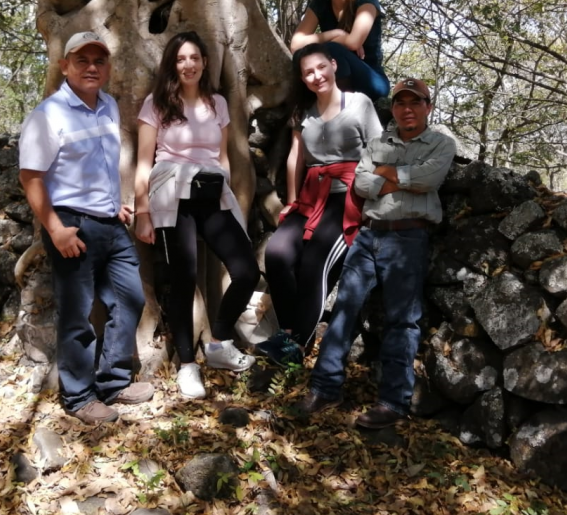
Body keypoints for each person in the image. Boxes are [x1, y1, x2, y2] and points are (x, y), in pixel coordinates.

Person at [297, 78, 456, 429]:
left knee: (403, 320)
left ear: (428, 107)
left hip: (408, 238)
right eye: (401, 103)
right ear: (394, 108)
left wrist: (386, 174)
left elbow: (428, 179)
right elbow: (362, 184)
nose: (407, 109)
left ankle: (393, 403)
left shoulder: (441, 144)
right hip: (369, 236)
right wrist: (403, 177)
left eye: (416, 103)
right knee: (343, 310)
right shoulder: (377, 142)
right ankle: (325, 388)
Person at [19, 31, 154, 425]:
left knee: (130, 299)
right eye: (82, 60)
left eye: (99, 61)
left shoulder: (109, 105)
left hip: (111, 224)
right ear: (65, 67)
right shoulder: (48, 116)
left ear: (108, 68)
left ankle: (113, 382)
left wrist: (119, 204)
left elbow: (103, 165)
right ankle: (78, 397)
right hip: (71, 226)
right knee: (77, 314)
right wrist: (56, 230)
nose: (92, 67)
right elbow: (31, 178)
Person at [134, 31, 260, 399]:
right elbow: (144, 162)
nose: (188, 64)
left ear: (205, 63)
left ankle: (219, 342)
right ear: (172, 65)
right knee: (183, 279)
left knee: (246, 271)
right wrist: (143, 211)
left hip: (210, 193)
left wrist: (227, 190)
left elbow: (221, 157)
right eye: (180, 59)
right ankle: (187, 365)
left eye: (194, 58)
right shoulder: (156, 104)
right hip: (172, 196)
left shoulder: (217, 103)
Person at [257, 43, 383, 367]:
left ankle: (297, 345)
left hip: (348, 197)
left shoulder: (359, 104)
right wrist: (292, 199)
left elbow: (379, 151)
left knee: (315, 264)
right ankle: (288, 335)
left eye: (320, 68)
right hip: (311, 197)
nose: (316, 76)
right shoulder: (304, 111)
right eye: (308, 73)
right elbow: (296, 157)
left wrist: (375, 201)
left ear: (333, 66)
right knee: (277, 253)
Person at [290, 0, 390, 102]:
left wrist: (333, 43)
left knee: (331, 49)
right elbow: (296, 45)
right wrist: (337, 34)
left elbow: (353, 42)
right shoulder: (320, 3)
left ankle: (343, 109)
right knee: (301, 63)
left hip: (372, 81)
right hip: (333, 79)